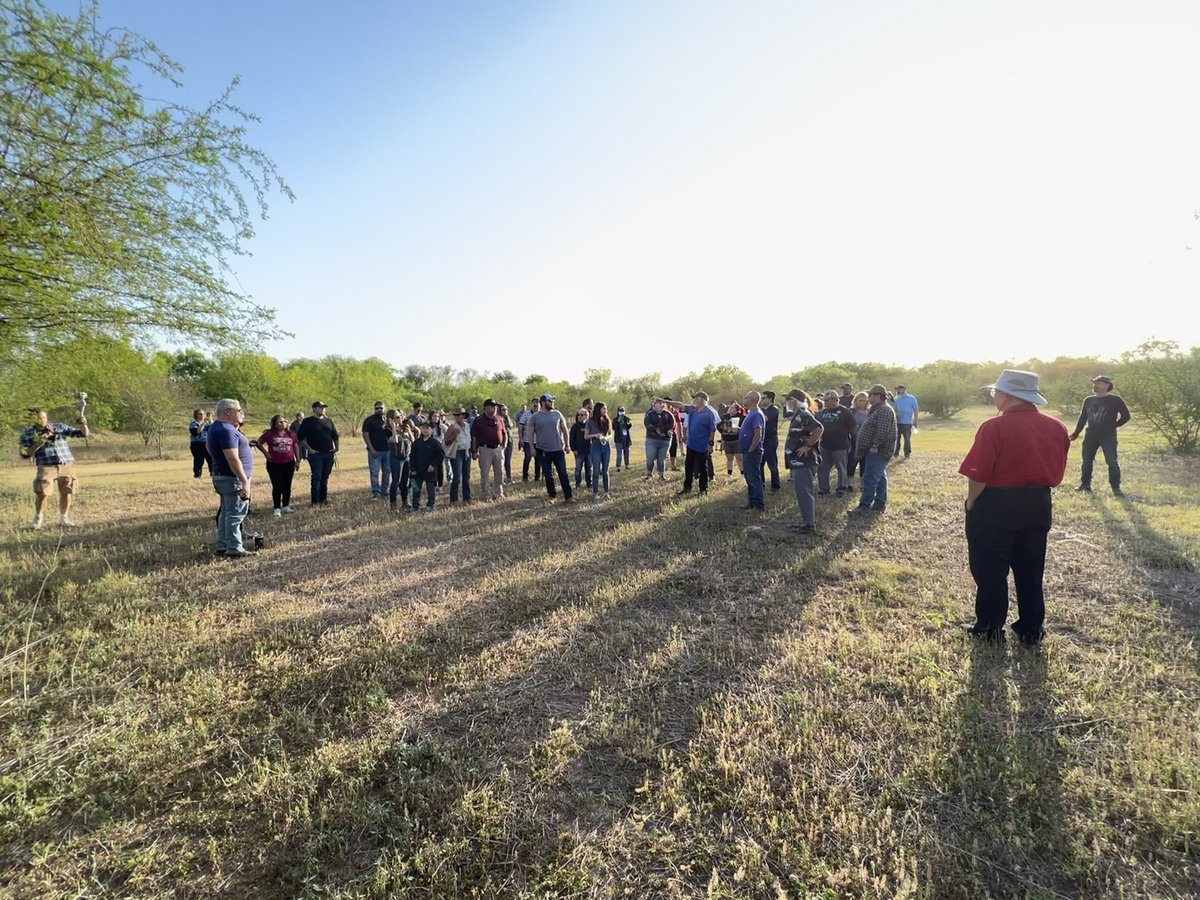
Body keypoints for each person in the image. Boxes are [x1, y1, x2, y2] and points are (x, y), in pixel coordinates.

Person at [961, 370, 1070, 646]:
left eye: (995, 392)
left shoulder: (994, 427)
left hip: (996, 504)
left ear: (1007, 395)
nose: (993, 396)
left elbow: (979, 474)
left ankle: (989, 628)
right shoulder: (1056, 426)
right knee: (1031, 570)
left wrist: (972, 503)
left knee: (990, 570)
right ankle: (1031, 628)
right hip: (1038, 502)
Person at [19, 407, 90, 529]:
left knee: (67, 490)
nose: (42, 420)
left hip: (65, 464)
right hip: (46, 465)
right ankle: (38, 519)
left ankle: (64, 518)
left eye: (43, 417)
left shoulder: (59, 427)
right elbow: (25, 453)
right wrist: (41, 441)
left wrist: (83, 424)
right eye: (39, 418)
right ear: (32, 420)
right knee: (43, 492)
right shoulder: (28, 433)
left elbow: (83, 434)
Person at [1070, 375, 1132, 496]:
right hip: (1091, 435)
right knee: (1086, 460)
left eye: (1098, 383)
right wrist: (1076, 433)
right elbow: (1083, 418)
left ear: (1107, 385)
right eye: (1094, 383)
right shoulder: (1088, 400)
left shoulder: (1115, 400)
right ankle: (1085, 485)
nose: (1095, 385)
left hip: (1108, 435)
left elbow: (1126, 416)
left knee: (1111, 461)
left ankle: (1115, 487)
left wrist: (1114, 425)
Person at [206, 398, 253, 557]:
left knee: (226, 512)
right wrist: (244, 481)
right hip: (233, 478)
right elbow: (232, 458)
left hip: (224, 476)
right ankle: (234, 548)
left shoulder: (217, 427)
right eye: (238, 410)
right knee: (235, 513)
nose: (241, 413)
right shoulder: (226, 430)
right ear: (227, 411)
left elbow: (209, 448)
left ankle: (223, 544)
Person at [848, 385, 897, 516]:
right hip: (875, 450)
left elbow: (882, 431)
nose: (869, 398)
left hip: (878, 451)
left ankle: (864, 506)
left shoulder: (884, 410)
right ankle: (879, 503)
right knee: (880, 478)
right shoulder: (877, 409)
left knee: (869, 478)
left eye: (871, 395)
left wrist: (875, 445)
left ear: (879, 396)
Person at [660, 392, 719, 496]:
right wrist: (666, 401)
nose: (693, 400)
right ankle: (687, 488)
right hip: (691, 444)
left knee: (702, 468)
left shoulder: (709, 413)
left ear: (700, 399)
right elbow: (680, 405)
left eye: (695, 398)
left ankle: (703, 489)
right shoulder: (692, 409)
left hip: (702, 446)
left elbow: (712, 430)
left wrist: (710, 444)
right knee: (689, 466)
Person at [782, 390, 823, 533]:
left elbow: (818, 428)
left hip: (804, 461)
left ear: (794, 401)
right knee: (801, 492)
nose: (786, 402)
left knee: (804, 493)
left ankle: (809, 525)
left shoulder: (803, 414)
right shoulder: (798, 414)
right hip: (797, 461)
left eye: (788, 399)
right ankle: (806, 521)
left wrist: (808, 446)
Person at [530, 393, 574, 503]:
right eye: (550, 401)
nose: (552, 403)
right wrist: (532, 448)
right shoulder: (535, 416)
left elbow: (565, 431)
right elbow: (530, 433)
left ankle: (568, 496)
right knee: (548, 474)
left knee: (562, 473)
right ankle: (552, 496)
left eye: (552, 401)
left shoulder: (557, 414)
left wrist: (567, 445)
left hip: (558, 449)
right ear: (543, 402)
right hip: (542, 450)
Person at [253, 414, 299, 517]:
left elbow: (295, 445)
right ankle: (277, 508)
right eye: (280, 422)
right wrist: (266, 454)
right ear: (275, 424)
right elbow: (258, 443)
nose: (283, 423)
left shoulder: (290, 434)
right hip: (274, 464)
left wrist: (298, 460)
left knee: (287, 485)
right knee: (277, 485)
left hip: (289, 463)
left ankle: (286, 506)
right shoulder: (269, 434)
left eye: (285, 421)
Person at [296, 401, 339, 506]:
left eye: (324, 407)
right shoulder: (308, 421)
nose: (322, 409)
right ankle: (315, 501)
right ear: (314, 408)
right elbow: (301, 438)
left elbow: (335, 435)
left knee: (325, 477)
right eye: (320, 407)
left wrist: (337, 447)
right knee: (317, 477)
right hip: (316, 454)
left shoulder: (328, 421)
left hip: (328, 453)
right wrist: (309, 449)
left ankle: (323, 499)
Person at [816, 390, 857, 496]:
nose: (825, 403)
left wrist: (854, 442)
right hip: (825, 445)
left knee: (841, 467)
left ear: (835, 400)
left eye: (827, 400)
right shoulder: (823, 412)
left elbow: (853, 427)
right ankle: (823, 489)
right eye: (824, 400)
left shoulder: (845, 412)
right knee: (823, 467)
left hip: (840, 445)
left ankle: (841, 489)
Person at [471, 398, 508, 500]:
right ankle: (486, 494)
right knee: (485, 473)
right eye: (492, 406)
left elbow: (504, 433)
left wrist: (503, 446)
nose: (495, 408)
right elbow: (474, 437)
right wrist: (474, 451)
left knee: (499, 472)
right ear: (486, 408)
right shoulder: (478, 420)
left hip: (498, 449)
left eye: (495, 406)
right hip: (485, 449)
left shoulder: (499, 419)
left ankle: (498, 492)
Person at [739, 390, 766, 510]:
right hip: (747, 450)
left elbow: (758, 433)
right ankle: (751, 502)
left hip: (753, 451)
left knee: (754, 478)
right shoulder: (751, 413)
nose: (744, 399)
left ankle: (758, 505)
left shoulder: (756, 414)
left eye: (746, 397)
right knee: (749, 477)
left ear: (752, 400)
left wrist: (751, 449)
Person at [409, 420, 444, 511]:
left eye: (427, 428)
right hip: (417, 470)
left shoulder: (435, 443)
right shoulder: (417, 442)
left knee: (430, 488)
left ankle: (430, 505)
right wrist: (412, 468)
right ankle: (415, 506)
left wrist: (433, 464)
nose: (424, 430)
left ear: (432, 429)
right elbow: (412, 456)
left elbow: (440, 456)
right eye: (423, 428)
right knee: (416, 489)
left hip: (430, 470)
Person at [362, 400, 391, 499]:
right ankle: (375, 492)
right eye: (377, 408)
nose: (379, 410)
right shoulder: (369, 420)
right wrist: (371, 449)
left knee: (387, 471)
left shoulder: (387, 420)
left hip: (387, 450)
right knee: (374, 472)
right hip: (375, 451)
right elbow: (365, 434)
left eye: (381, 408)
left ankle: (384, 490)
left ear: (384, 408)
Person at [386, 409, 413, 510]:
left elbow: (412, 440)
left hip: (406, 457)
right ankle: (393, 504)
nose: (400, 418)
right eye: (397, 417)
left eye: (400, 416)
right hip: (396, 458)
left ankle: (405, 502)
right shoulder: (387, 430)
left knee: (405, 482)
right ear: (391, 419)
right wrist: (393, 427)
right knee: (396, 481)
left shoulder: (403, 428)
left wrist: (408, 431)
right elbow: (395, 440)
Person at [444, 408, 473, 504]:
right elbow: (446, 441)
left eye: (458, 415)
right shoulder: (452, 427)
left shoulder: (468, 426)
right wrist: (455, 434)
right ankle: (454, 499)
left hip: (466, 451)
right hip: (457, 452)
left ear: (463, 416)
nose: (456, 417)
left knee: (466, 476)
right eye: (455, 415)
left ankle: (467, 497)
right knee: (457, 476)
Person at [586, 401, 613, 499]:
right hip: (595, 446)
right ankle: (595, 493)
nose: (605, 410)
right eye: (603, 408)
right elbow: (586, 436)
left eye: (606, 408)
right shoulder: (591, 421)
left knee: (605, 471)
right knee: (596, 471)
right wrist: (595, 435)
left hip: (606, 446)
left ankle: (606, 492)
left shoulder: (607, 420)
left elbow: (610, 434)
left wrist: (606, 437)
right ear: (598, 409)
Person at [643, 399, 675, 480]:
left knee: (661, 459)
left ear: (662, 404)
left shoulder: (668, 414)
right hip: (652, 439)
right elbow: (647, 424)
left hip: (664, 440)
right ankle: (649, 474)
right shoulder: (650, 414)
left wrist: (664, 431)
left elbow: (672, 425)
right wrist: (656, 429)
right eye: (654, 403)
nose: (654, 405)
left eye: (657, 403)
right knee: (650, 458)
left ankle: (661, 476)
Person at [759, 391, 782, 492]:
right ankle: (761, 484)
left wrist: (757, 413)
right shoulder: (761, 410)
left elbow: (766, 419)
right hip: (762, 439)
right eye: (761, 398)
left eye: (763, 398)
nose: (761, 400)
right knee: (760, 463)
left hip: (771, 440)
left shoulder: (774, 409)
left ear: (770, 399)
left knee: (772, 463)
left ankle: (775, 486)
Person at [718, 401, 745, 483]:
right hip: (727, 441)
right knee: (729, 458)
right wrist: (722, 432)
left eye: (732, 408)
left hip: (737, 440)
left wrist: (738, 429)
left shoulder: (742, 417)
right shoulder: (724, 417)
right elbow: (718, 425)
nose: (730, 409)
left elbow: (744, 429)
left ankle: (743, 475)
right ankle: (729, 475)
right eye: (730, 407)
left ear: (737, 410)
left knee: (739, 458)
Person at [848, 391, 870, 483]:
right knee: (852, 461)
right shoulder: (852, 411)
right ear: (856, 401)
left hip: (867, 440)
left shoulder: (870, 411)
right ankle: (849, 482)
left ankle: (862, 483)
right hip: (854, 440)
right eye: (860, 400)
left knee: (864, 462)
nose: (862, 403)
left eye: (864, 401)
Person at [893, 385, 919, 457]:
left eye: (900, 389)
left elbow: (916, 409)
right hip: (897, 422)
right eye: (897, 389)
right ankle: (896, 453)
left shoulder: (911, 398)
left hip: (907, 422)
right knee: (897, 439)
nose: (898, 390)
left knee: (907, 439)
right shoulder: (895, 399)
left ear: (904, 389)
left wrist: (915, 420)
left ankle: (907, 453)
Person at [569, 408, 592, 488]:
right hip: (579, 452)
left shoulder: (589, 426)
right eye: (581, 415)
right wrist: (573, 449)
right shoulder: (575, 427)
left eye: (585, 414)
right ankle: (578, 483)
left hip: (589, 451)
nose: (583, 416)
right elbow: (571, 439)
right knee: (578, 468)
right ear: (578, 416)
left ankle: (589, 483)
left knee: (589, 468)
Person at [188, 409, 211, 478]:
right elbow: (197, 431)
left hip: (207, 443)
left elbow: (213, 429)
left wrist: (210, 420)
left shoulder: (208, 423)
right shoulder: (193, 423)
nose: (202, 416)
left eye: (203, 414)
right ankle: (197, 474)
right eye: (200, 414)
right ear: (196, 415)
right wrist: (203, 423)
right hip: (197, 444)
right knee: (199, 460)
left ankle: (213, 473)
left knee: (210, 459)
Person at [498, 403, 516, 484]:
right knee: (501, 461)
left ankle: (509, 477)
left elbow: (512, 425)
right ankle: (500, 479)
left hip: (509, 441)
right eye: (503, 410)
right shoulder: (498, 419)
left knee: (508, 461)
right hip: (502, 442)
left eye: (506, 410)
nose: (505, 411)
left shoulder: (508, 419)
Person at [612, 405, 633, 471]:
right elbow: (614, 428)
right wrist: (618, 421)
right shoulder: (615, 420)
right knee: (619, 453)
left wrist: (629, 423)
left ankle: (627, 465)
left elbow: (629, 427)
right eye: (620, 411)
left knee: (626, 452)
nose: (621, 412)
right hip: (618, 439)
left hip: (626, 438)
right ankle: (618, 466)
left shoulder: (626, 418)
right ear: (618, 412)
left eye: (623, 411)